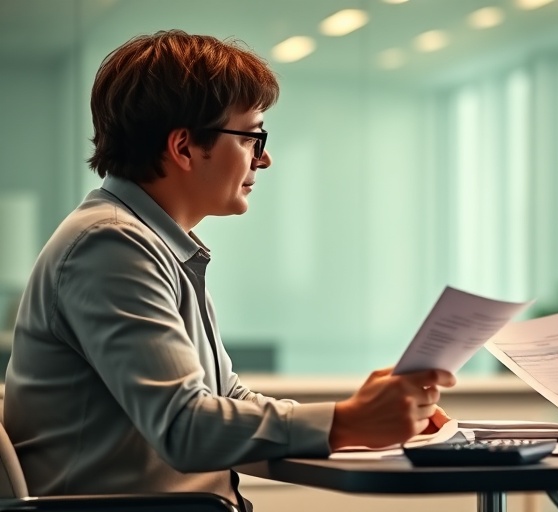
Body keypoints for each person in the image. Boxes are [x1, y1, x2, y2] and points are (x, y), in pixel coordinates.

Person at [3, 30, 454, 510]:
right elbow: (184, 427)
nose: (264, 157)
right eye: (253, 136)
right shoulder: (112, 245)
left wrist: (357, 422)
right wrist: (345, 421)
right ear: (184, 147)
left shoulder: (150, 242)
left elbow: (223, 398)